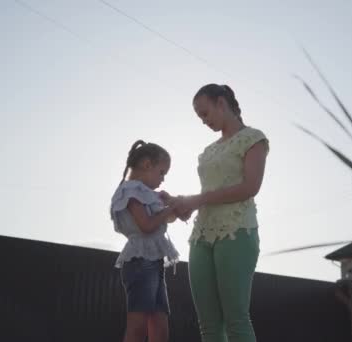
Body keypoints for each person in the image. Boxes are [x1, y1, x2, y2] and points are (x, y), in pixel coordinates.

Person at [176, 84, 269, 342]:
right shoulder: (208, 151)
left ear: (221, 103)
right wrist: (180, 203)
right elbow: (206, 192)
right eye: (199, 117)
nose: (203, 121)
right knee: (208, 323)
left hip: (237, 232)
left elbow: (250, 187)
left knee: (236, 319)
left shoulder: (253, 138)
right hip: (201, 236)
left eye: (205, 113)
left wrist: (199, 199)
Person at [110, 140, 180, 342]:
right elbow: (147, 225)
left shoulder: (147, 194)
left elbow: (168, 218)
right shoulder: (130, 191)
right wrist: (169, 209)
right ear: (147, 165)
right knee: (138, 326)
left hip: (154, 263)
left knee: (160, 325)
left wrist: (169, 203)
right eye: (162, 172)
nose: (163, 178)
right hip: (140, 263)